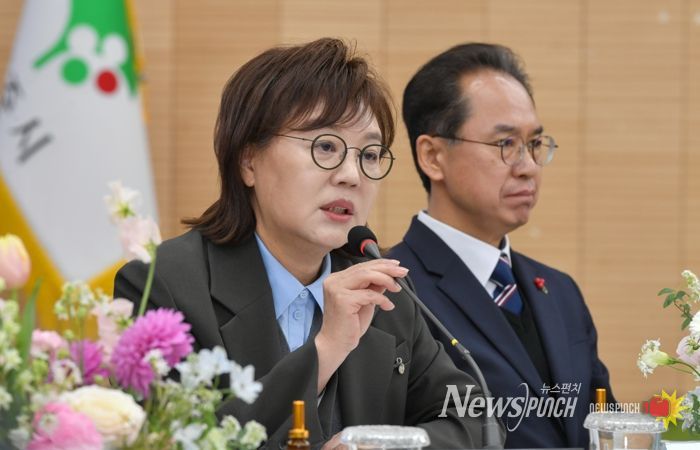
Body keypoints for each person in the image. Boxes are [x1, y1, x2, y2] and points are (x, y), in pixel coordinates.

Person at [114, 38, 488, 449]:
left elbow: (477, 421)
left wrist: (380, 445)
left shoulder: (386, 295)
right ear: (248, 160)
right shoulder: (164, 286)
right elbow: (178, 440)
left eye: (369, 155)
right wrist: (325, 350)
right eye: (325, 146)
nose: (351, 175)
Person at [388, 43, 615, 448]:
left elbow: (603, 424)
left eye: (534, 144)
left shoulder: (561, 291)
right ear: (433, 156)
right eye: (506, 144)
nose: (528, 167)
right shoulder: (392, 290)